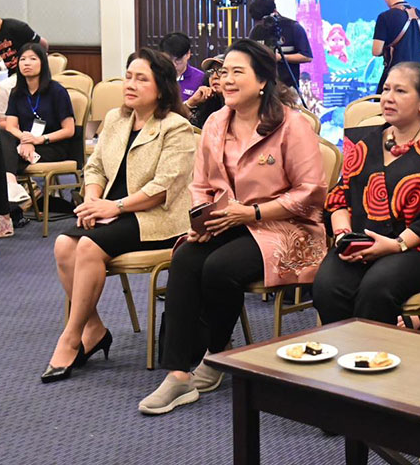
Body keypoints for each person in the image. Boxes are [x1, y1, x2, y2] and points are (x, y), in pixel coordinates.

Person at [139, 39, 327, 415]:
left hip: (287, 227)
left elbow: (312, 192)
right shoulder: (215, 122)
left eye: (237, 72)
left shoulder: (292, 125)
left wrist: (254, 214)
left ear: (263, 81)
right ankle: (178, 374)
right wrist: (201, 219)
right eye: (224, 72)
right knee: (186, 258)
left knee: (219, 267)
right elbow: (200, 184)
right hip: (230, 220)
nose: (226, 79)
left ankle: (215, 354)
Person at [41, 48, 196, 383]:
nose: (130, 84)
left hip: (158, 219)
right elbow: (95, 166)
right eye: (128, 77)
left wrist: (115, 207)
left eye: (141, 79)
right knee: (64, 245)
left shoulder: (176, 127)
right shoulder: (116, 119)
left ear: (161, 87)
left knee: (87, 247)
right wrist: (92, 200)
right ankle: (94, 329)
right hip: (113, 212)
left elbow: (163, 187)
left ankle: (71, 337)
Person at [313, 61, 420, 327]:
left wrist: (396, 245)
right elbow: (339, 197)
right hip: (361, 242)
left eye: (400, 91)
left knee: (376, 288)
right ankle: (343, 351)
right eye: (386, 89)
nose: (388, 98)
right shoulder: (365, 142)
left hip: (419, 247)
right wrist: (343, 237)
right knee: (328, 286)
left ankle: (376, 352)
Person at [0, 43, 75, 178]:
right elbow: (10, 127)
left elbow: (69, 130)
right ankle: (15, 184)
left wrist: (39, 140)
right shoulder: (16, 92)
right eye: (23, 59)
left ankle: (12, 183)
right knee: (1, 143)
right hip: (25, 142)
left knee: (9, 156)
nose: (27, 63)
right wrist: (26, 140)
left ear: (43, 63)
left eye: (33, 59)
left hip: (52, 144)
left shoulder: (57, 91)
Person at [247, 0, 313, 89]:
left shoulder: (293, 27)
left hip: (287, 86)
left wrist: (281, 57)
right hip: (262, 86)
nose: (261, 24)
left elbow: (307, 57)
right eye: (258, 21)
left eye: (264, 20)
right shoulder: (256, 31)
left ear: (274, 12)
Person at [158, 32, 203, 103]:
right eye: (169, 60)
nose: (173, 64)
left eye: (178, 60)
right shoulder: (156, 76)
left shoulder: (200, 79)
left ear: (188, 54)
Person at [188, 56, 224, 129]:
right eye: (211, 72)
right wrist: (191, 103)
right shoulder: (208, 104)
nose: (214, 76)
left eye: (221, 71)